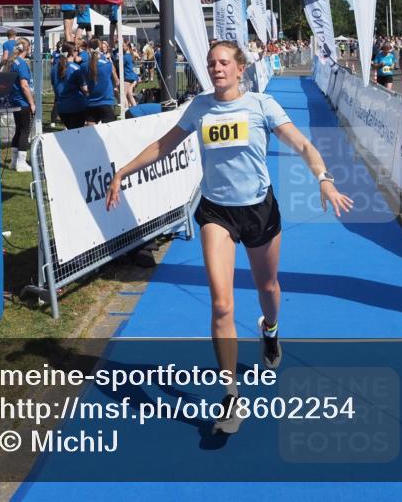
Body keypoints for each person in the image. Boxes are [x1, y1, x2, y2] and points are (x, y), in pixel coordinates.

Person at [105, 40, 353, 434]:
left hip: (259, 210)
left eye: (223, 62)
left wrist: (323, 179)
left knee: (268, 287)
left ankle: (270, 331)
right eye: (211, 63)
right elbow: (163, 145)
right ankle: (231, 395)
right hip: (216, 212)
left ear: (240, 69)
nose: (216, 68)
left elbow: (303, 144)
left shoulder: (260, 106)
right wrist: (122, 173)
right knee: (221, 304)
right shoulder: (201, 108)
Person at [1, 37, 35, 171]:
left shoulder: (11, 62)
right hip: (22, 101)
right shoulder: (21, 63)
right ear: (27, 48)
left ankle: (14, 162)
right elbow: (24, 85)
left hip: (14, 101)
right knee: (25, 131)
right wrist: (32, 103)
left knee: (18, 130)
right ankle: (21, 163)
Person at [52, 42, 89, 129]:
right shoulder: (75, 68)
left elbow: (54, 87)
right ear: (72, 52)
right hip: (76, 107)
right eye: (76, 50)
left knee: (71, 133)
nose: (78, 52)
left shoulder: (54, 68)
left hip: (62, 108)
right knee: (77, 135)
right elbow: (84, 89)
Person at [83, 37, 118, 123]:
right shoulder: (107, 64)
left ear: (88, 48)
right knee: (109, 134)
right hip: (106, 102)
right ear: (101, 48)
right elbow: (114, 76)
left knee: (90, 134)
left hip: (91, 103)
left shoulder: (84, 66)